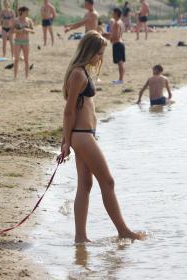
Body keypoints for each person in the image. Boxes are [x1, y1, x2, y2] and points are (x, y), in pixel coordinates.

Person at [59, 31, 145, 243]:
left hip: (84, 135)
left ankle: (80, 237)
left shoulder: (82, 72)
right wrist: (65, 142)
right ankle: (123, 230)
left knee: (85, 186)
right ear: (88, 51)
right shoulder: (78, 74)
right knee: (108, 182)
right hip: (82, 136)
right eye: (98, 53)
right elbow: (68, 111)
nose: (100, 58)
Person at [12, 6, 34, 79]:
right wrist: (19, 31)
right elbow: (12, 31)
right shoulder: (16, 20)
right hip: (17, 41)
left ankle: (26, 77)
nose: (27, 13)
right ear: (22, 12)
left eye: (28, 12)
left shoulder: (29, 20)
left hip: (26, 41)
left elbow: (33, 31)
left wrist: (27, 30)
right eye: (26, 12)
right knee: (16, 59)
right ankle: (15, 76)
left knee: (26, 60)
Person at [109, 8, 125, 85]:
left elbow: (116, 35)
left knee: (120, 62)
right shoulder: (121, 22)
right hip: (120, 43)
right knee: (120, 62)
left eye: (113, 13)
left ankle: (120, 79)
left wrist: (110, 38)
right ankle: (120, 79)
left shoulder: (116, 23)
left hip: (117, 44)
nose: (112, 14)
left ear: (116, 13)